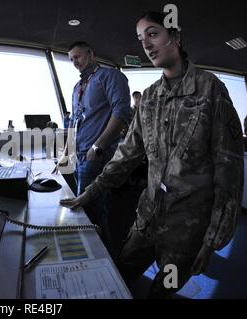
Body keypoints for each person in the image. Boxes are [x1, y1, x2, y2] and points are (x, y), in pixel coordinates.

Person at [60, 11, 244, 298]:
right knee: (120, 276)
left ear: (175, 36)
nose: (146, 43)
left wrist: (212, 240)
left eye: (153, 33)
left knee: (161, 291)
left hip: (187, 232)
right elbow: (126, 155)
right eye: (140, 38)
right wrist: (90, 192)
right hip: (147, 220)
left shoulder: (210, 90)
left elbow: (229, 172)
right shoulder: (149, 99)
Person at [54, 41, 131, 252]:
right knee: (86, 209)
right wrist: (67, 152)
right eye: (71, 59)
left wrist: (97, 147)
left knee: (90, 210)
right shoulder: (77, 87)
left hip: (97, 154)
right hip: (79, 154)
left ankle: (105, 260)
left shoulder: (110, 76)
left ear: (91, 53)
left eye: (77, 57)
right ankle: (95, 256)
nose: (74, 62)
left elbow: (122, 113)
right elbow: (73, 121)